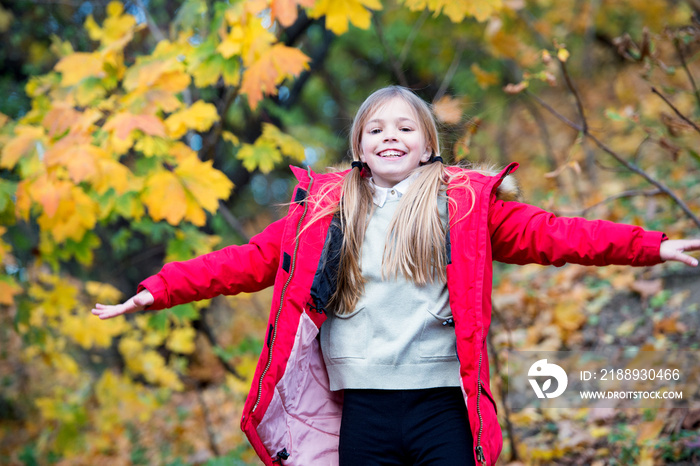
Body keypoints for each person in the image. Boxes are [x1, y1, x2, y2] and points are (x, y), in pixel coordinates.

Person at [92, 86, 700, 466]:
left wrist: (655, 246)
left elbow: (558, 236)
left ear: (429, 145)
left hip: (442, 407)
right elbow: (244, 261)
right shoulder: (322, 215)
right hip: (362, 412)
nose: (391, 136)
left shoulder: (461, 205)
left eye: (406, 127)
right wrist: (158, 289)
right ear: (358, 146)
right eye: (377, 128)